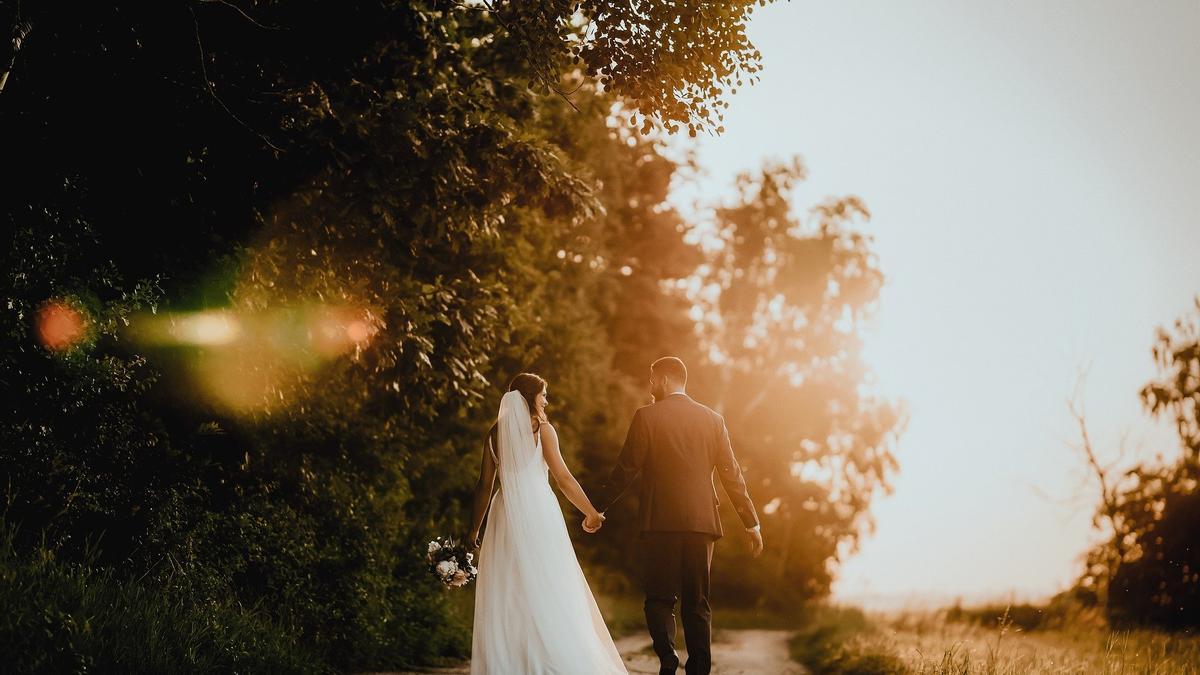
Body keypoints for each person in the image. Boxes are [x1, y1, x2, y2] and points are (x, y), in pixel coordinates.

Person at [594, 356, 763, 675]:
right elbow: (731, 474)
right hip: (701, 523)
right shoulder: (713, 420)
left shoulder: (646, 416)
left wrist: (597, 507)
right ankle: (698, 669)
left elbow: (626, 468)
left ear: (665, 380)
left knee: (659, 599)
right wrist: (750, 522)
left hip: (659, 522)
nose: (650, 385)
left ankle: (668, 657)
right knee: (697, 602)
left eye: (652, 379)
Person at [467, 373, 627, 674]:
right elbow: (563, 478)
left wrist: (473, 530)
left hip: (504, 514)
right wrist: (591, 513)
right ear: (530, 398)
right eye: (543, 394)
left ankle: (511, 660)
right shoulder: (543, 430)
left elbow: (484, 485)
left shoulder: (494, 434)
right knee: (549, 582)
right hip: (538, 511)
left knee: (509, 587)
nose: (546, 400)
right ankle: (549, 653)